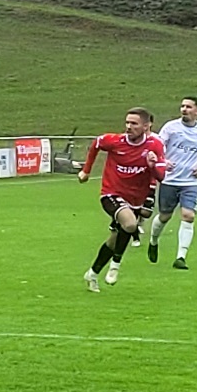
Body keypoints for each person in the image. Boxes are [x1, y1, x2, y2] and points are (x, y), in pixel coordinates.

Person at [78, 107, 167, 292]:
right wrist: (86, 171)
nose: (128, 127)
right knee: (130, 224)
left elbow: (161, 176)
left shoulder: (155, 146)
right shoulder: (114, 141)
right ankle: (115, 266)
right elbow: (96, 144)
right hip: (111, 193)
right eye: (127, 122)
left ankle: (92, 274)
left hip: (135, 199)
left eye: (134, 123)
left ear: (145, 126)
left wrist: (152, 166)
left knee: (114, 240)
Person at [147, 95, 197, 269]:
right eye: (183, 106)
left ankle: (181, 257)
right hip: (169, 180)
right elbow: (157, 146)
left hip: (190, 182)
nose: (184, 109)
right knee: (164, 216)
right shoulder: (171, 127)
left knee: (188, 215)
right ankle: (153, 241)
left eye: (189, 107)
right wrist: (164, 161)